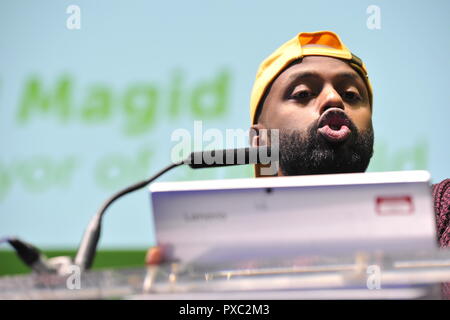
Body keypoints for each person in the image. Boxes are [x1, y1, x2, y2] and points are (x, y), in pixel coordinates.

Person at [147, 30, 449, 296]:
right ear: (260, 141)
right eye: (303, 93)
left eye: (351, 94)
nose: (334, 99)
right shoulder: (217, 261)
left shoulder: (438, 210)